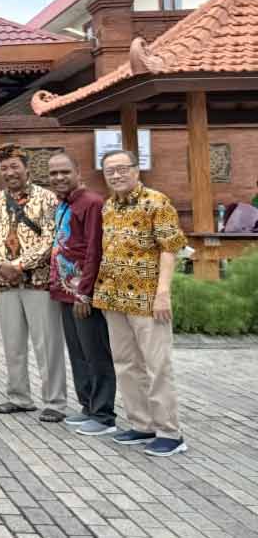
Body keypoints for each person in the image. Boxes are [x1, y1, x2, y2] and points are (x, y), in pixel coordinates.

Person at [96, 150, 188, 457]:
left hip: (148, 299)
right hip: (113, 297)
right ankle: (142, 424)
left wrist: (163, 292)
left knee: (157, 365)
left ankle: (170, 432)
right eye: (110, 170)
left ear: (137, 170)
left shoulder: (157, 202)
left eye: (123, 168)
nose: (117, 175)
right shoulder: (109, 206)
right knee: (125, 364)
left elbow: (169, 248)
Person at [0, 144, 65, 422]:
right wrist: (1, 264)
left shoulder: (47, 199)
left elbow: (50, 238)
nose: (10, 172)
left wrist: (19, 265)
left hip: (38, 281)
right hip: (5, 283)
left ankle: (55, 401)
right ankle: (19, 396)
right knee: (13, 343)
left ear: (27, 169)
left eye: (15, 166)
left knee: (47, 343)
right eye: (4, 168)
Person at [47, 153, 116, 436]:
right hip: (65, 291)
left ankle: (103, 414)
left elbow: (94, 250)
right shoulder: (63, 204)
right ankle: (88, 406)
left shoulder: (92, 203)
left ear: (78, 171)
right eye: (53, 173)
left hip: (83, 294)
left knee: (95, 353)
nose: (59, 177)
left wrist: (84, 293)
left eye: (65, 172)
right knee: (78, 353)